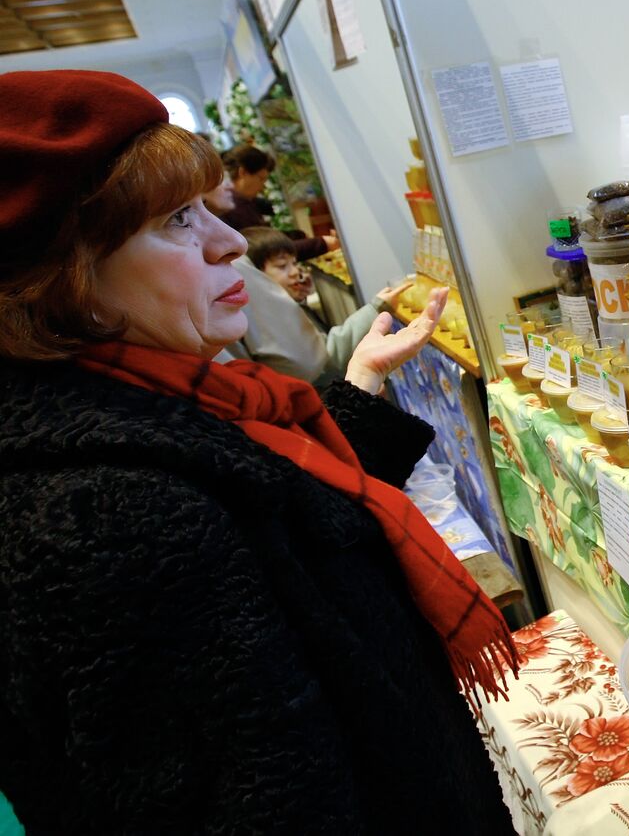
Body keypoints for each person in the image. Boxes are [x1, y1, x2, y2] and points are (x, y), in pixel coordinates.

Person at [0, 70, 518, 833]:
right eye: (178, 220)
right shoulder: (107, 517)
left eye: (209, 208)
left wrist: (361, 382)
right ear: (66, 278)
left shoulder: (139, 407)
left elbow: (279, 533)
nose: (231, 241)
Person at [237, 225, 415, 382]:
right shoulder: (271, 320)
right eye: (282, 266)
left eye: (294, 263)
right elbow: (328, 356)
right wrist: (376, 308)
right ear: (257, 279)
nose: (294, 272)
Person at [222, 143, 340, 260]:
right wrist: (322, 243)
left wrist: (298, 235)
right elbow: (267, 250)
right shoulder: (231, 207)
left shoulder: (244, 202)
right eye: (261, 178)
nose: (263, 186)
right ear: (243, 173)